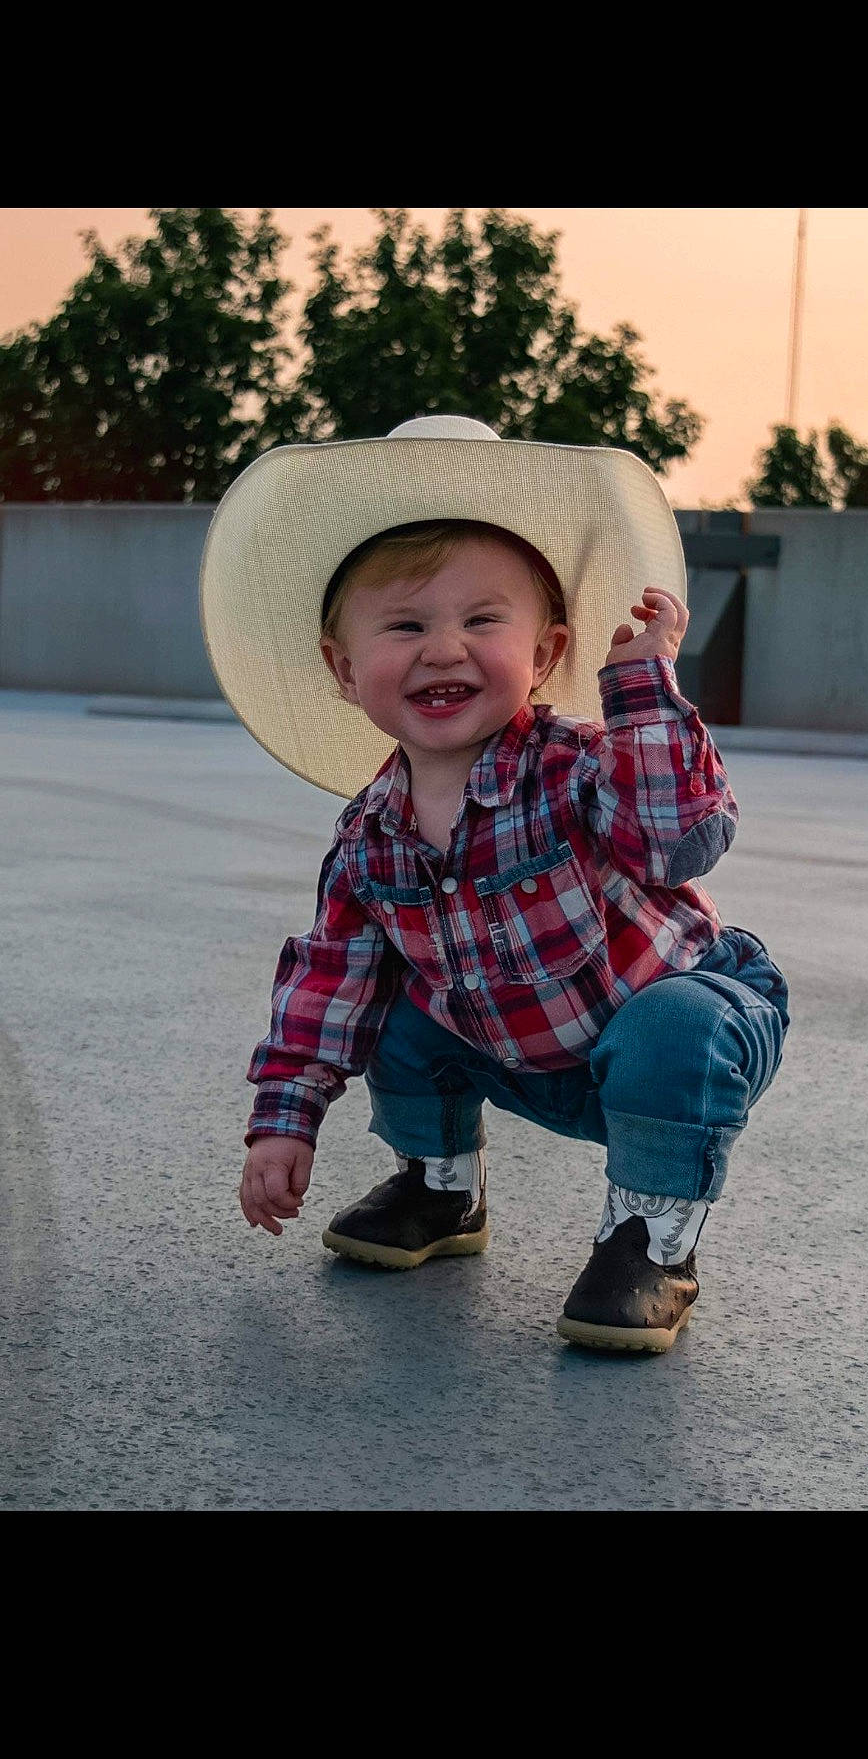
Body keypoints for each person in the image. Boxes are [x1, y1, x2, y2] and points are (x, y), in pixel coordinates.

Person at [201, 415, 790, 1353]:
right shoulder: (367, 839)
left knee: (675, 1023)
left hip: (675, 1031)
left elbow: (679, 841)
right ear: (345, 671)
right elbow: (326, 989)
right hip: (517, 1049)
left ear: (548, 652)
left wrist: (643, 689)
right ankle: (440, 1187)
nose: (444, 649)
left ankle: (650, 1237)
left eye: (483, 621)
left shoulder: (577, 767)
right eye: (406, 625)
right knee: (386, 999)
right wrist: (285, 1120)